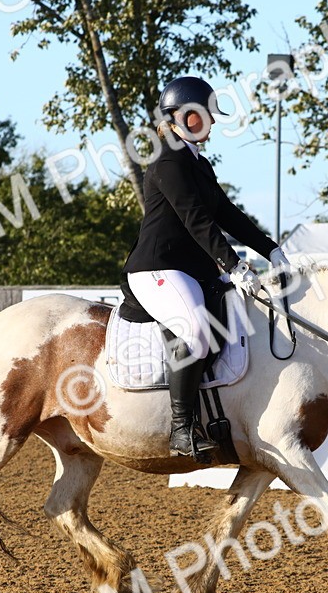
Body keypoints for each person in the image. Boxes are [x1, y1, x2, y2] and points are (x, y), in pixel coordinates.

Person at [121, 76, 290, 459]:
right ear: (182, 117)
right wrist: (235, 266)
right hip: (158, 268)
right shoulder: (167, 160)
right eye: (205, 117)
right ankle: (181, 429)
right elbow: (197, 220)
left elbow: (226, 214)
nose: (211, 124)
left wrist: (270, 248)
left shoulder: (197, 163)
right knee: (196, 330)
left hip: (191, 268)